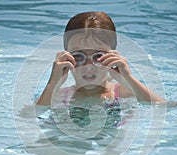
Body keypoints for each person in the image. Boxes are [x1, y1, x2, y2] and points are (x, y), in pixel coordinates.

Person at [36, 11, 166, 106]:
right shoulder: (58, 96)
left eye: (98, 56)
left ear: (113, 56)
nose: (88, 66)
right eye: (78, 56)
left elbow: (165, 108)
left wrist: (129, 79)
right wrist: (52, 83)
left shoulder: (125, 93)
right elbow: (28, 117)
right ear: (66, 58)